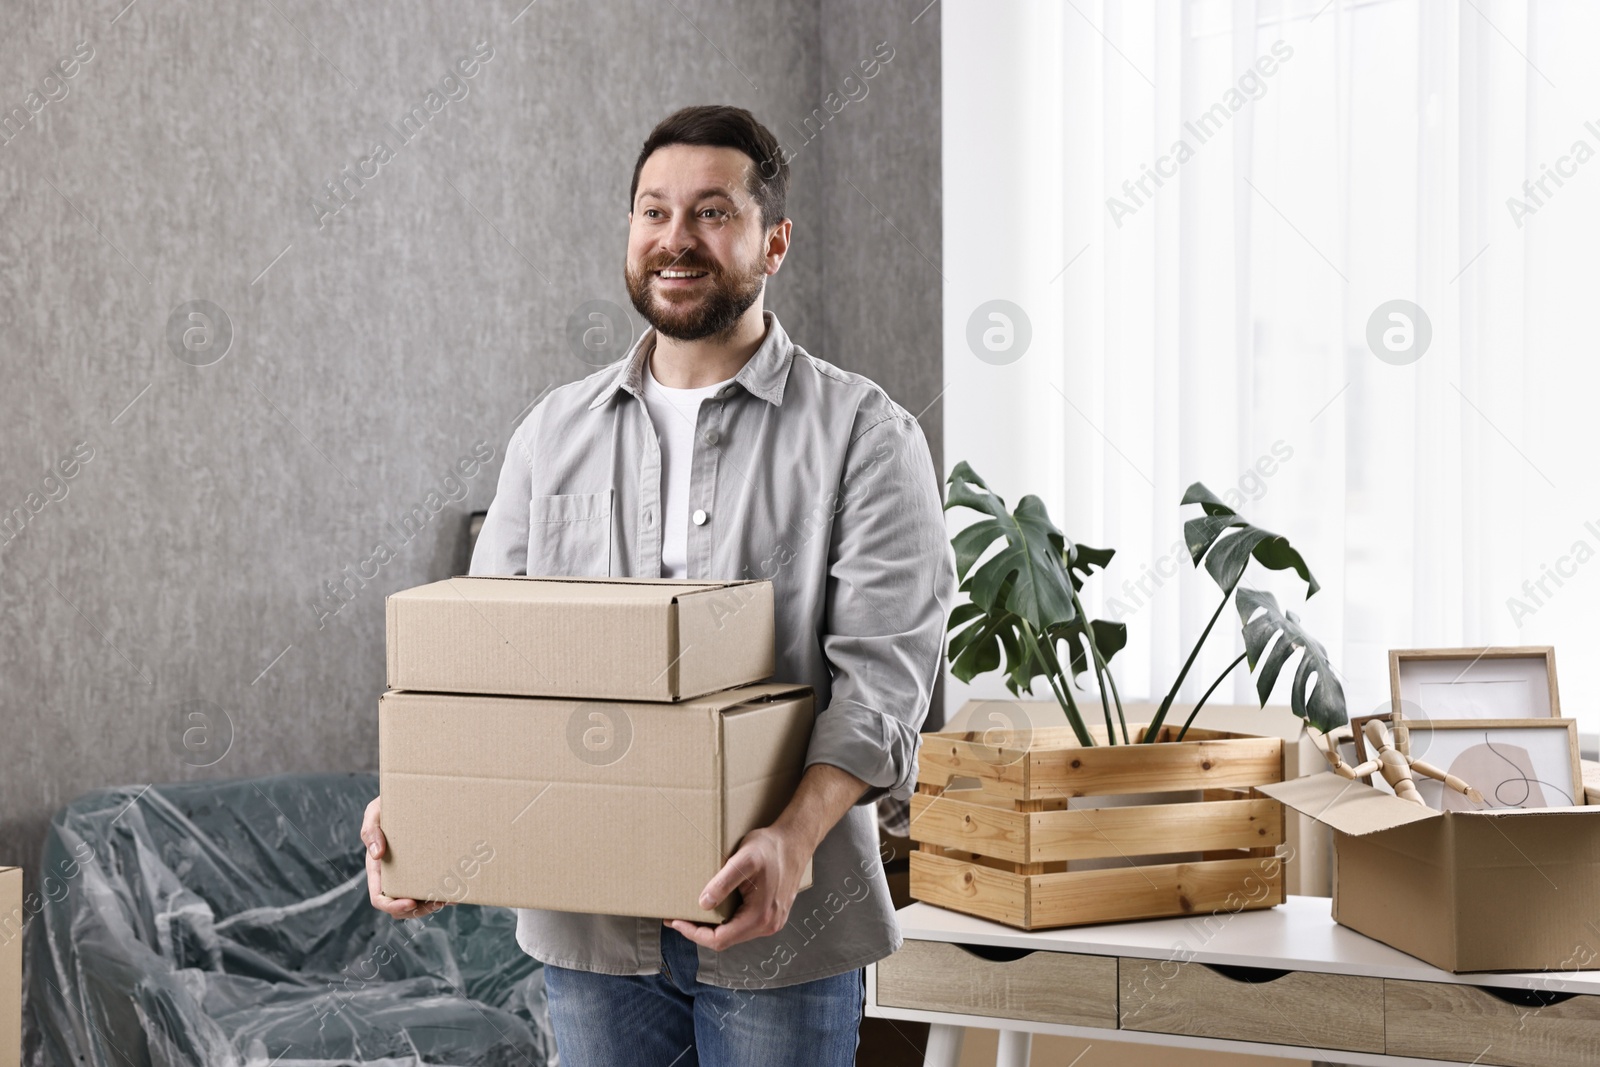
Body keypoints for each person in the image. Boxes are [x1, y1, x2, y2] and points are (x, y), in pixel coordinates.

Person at [360, 104, 955, 1066]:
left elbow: (885, 684)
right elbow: (486, 662)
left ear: (775, 241)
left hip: (783, 930)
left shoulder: (866, 437)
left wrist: (794, 841)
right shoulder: (551, 433)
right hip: (589, 930)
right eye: (652, 211)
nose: (676, 239)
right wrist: (428, 814)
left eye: (712, 212)